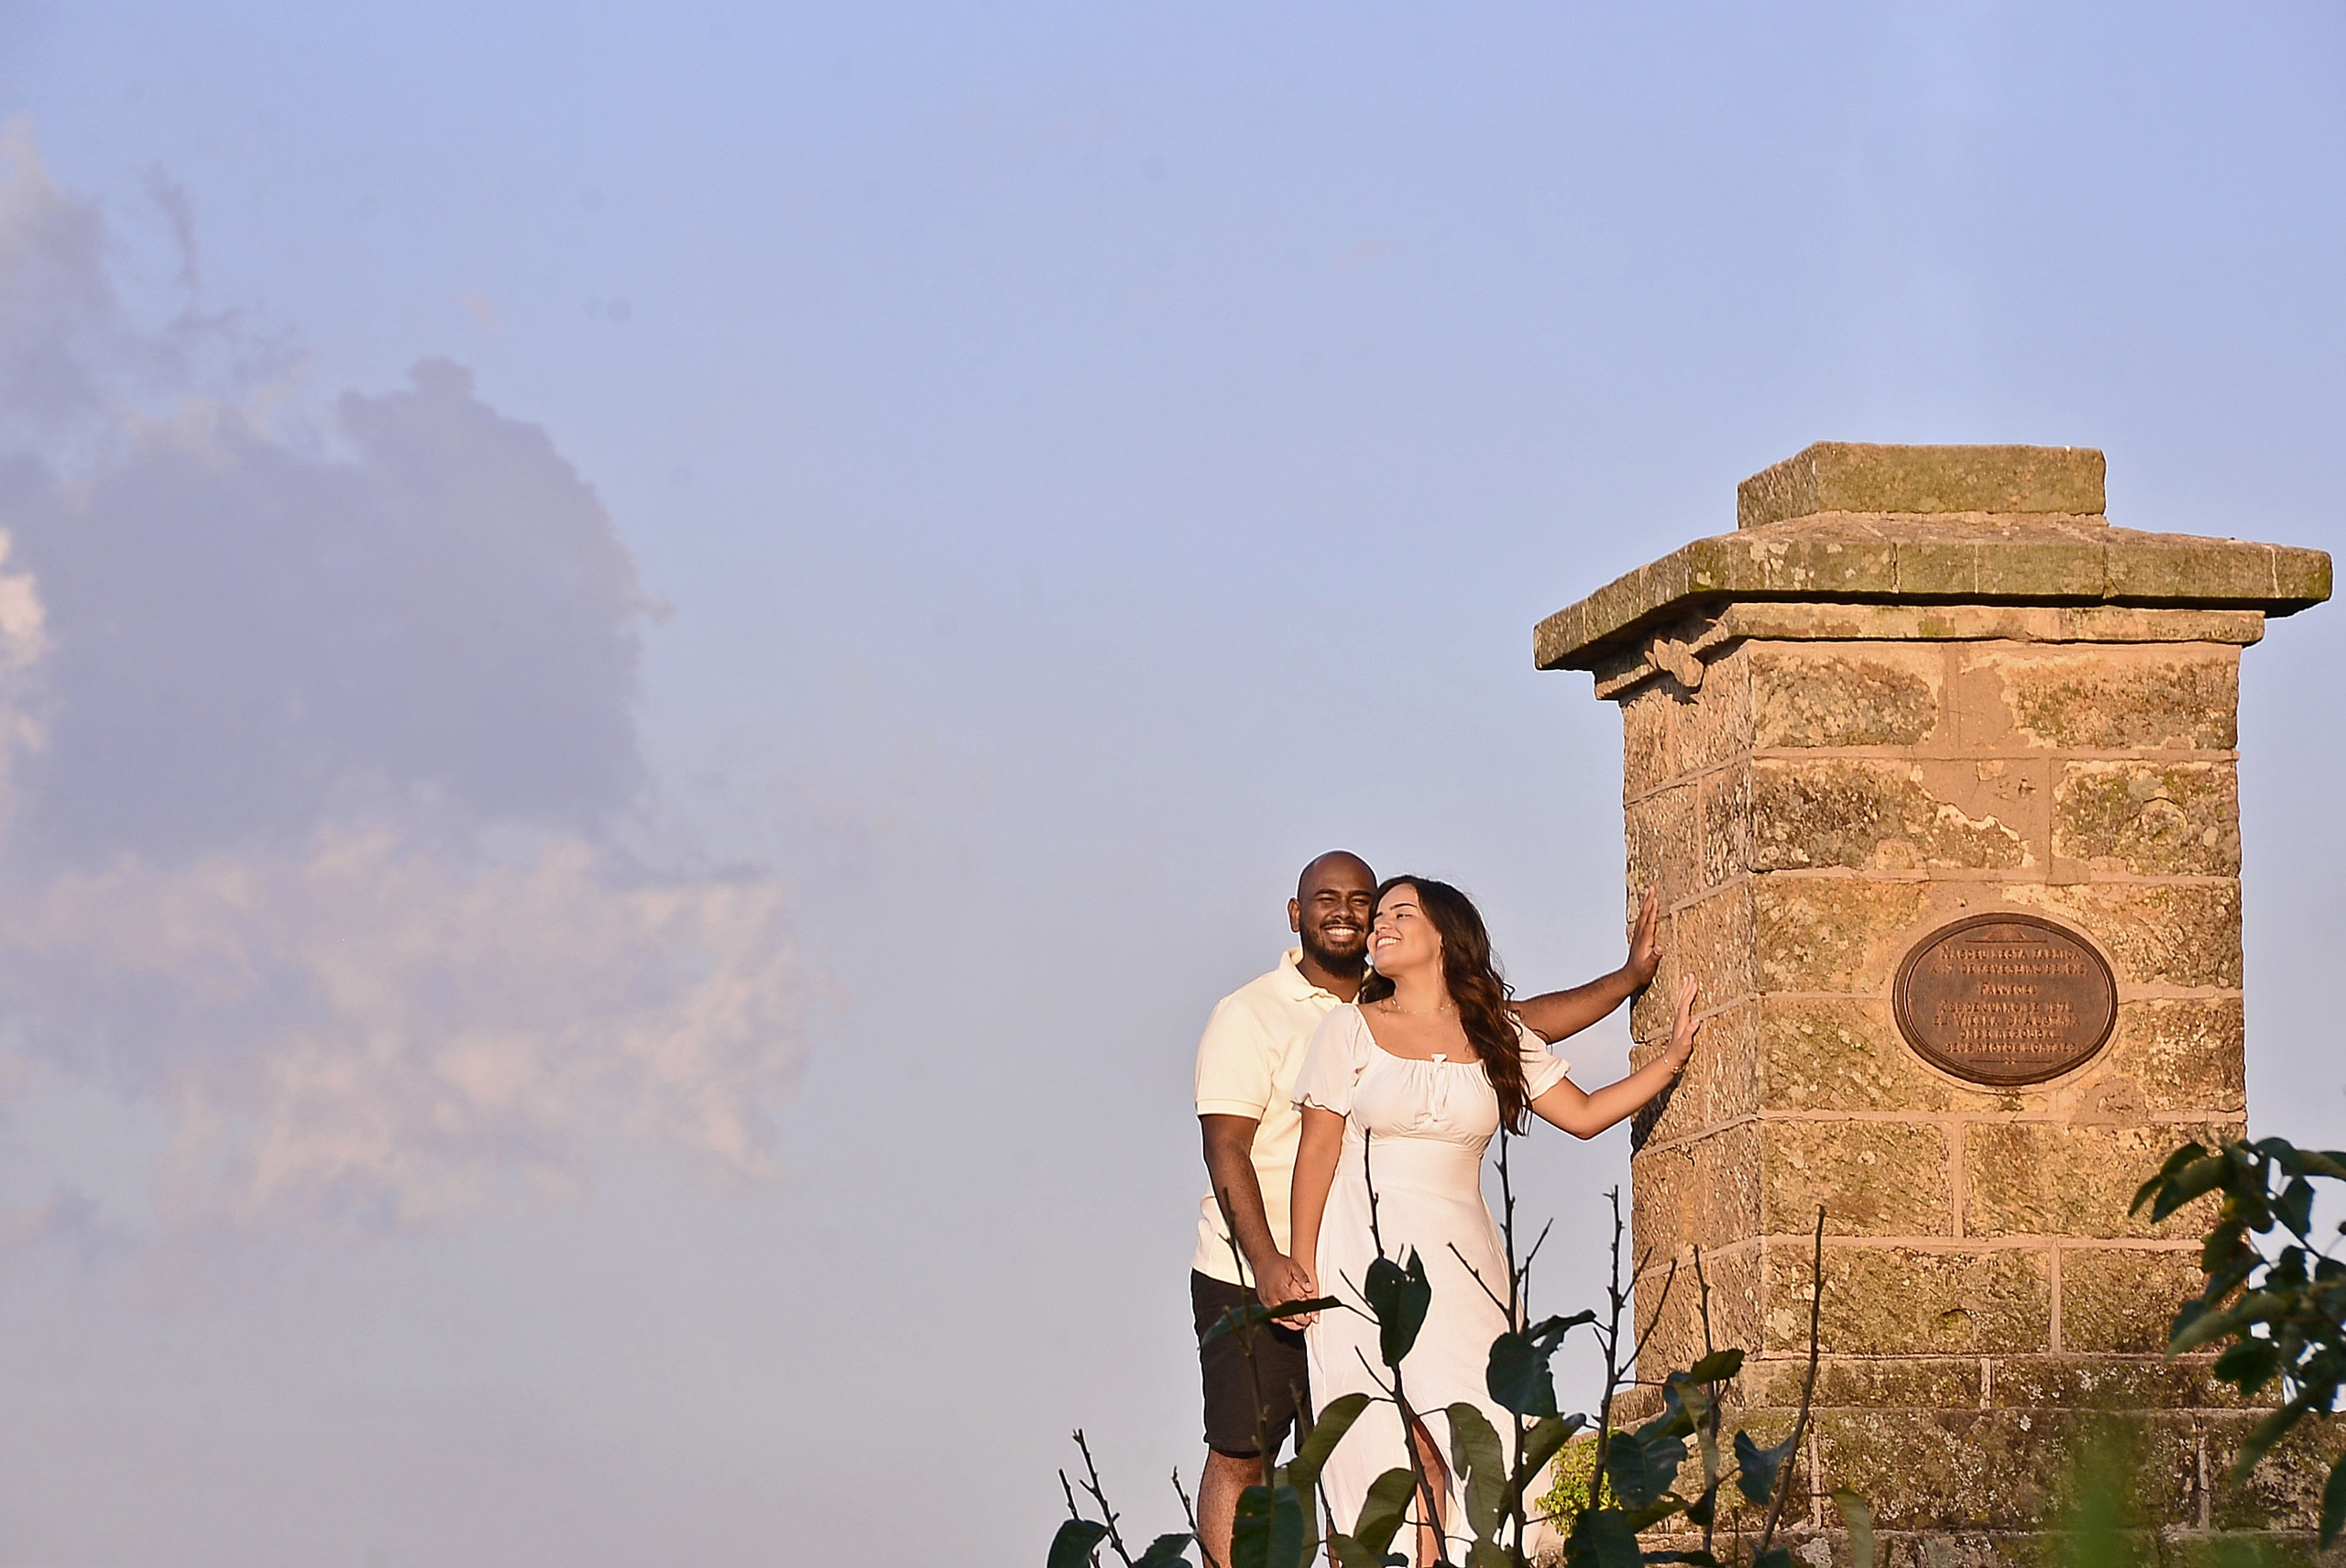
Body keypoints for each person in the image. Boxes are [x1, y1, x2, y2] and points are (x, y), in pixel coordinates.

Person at [1190, 852, 1661, 1568]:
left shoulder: (1423, 1007)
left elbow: (1523, 1036)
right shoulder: (1255, 1013)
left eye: (1370, 902)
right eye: (1327, 898)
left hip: (1403, 1266)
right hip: (1265, 1263)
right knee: (1249, 1451)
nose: (1353, 913)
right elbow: (1231, 1145)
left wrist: (1630, 984)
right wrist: (1272, 1260)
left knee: (1396, 1450)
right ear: (1295, 913)